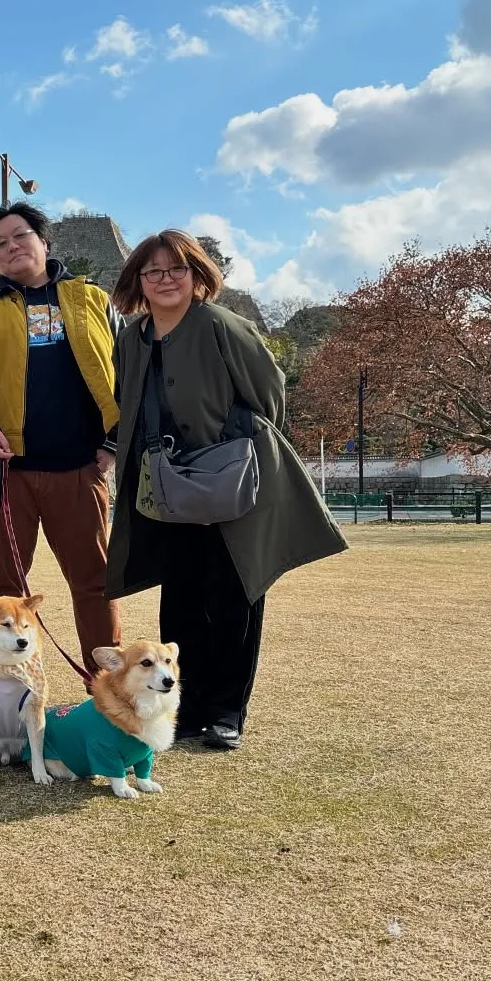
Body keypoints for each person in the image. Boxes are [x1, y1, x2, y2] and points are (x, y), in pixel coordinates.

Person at [105, 229, 347, 750]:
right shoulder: (132, 336)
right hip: (169, 486)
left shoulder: (221, 324)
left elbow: (270, 395)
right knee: (182, 596)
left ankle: (225, 711)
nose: (166, 279)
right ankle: (187, 707)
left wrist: (229, 445)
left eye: (177, 269)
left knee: (235, 594)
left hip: (234, 480)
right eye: (154, 271)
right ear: (138, 282)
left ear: (197, 275)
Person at [0, 202, 122, 682]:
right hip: (1, 473)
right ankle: (4, 695)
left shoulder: (95, 301)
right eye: (0, 244)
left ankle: (106, 691)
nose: (12, 246)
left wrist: (114, 442)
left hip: (82, 469)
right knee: (0, 590)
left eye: (21, 236)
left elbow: (132, 377)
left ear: (44, 241)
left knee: (95, 584)